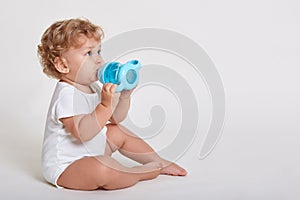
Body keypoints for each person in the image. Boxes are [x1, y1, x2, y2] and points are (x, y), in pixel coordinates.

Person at [37, 18, 187, 191]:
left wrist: (123, 96)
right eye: (88, 53)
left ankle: (158, 160)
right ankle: (141, 172)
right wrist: (105, 106)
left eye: (98, 51)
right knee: (103, 169)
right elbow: (82, 133)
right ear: (63, 65)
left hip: (94, 151)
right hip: (68, 167)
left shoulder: (92, 86)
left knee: (117, 131)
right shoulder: (66, 95)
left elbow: (115, 119)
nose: (99, 60)